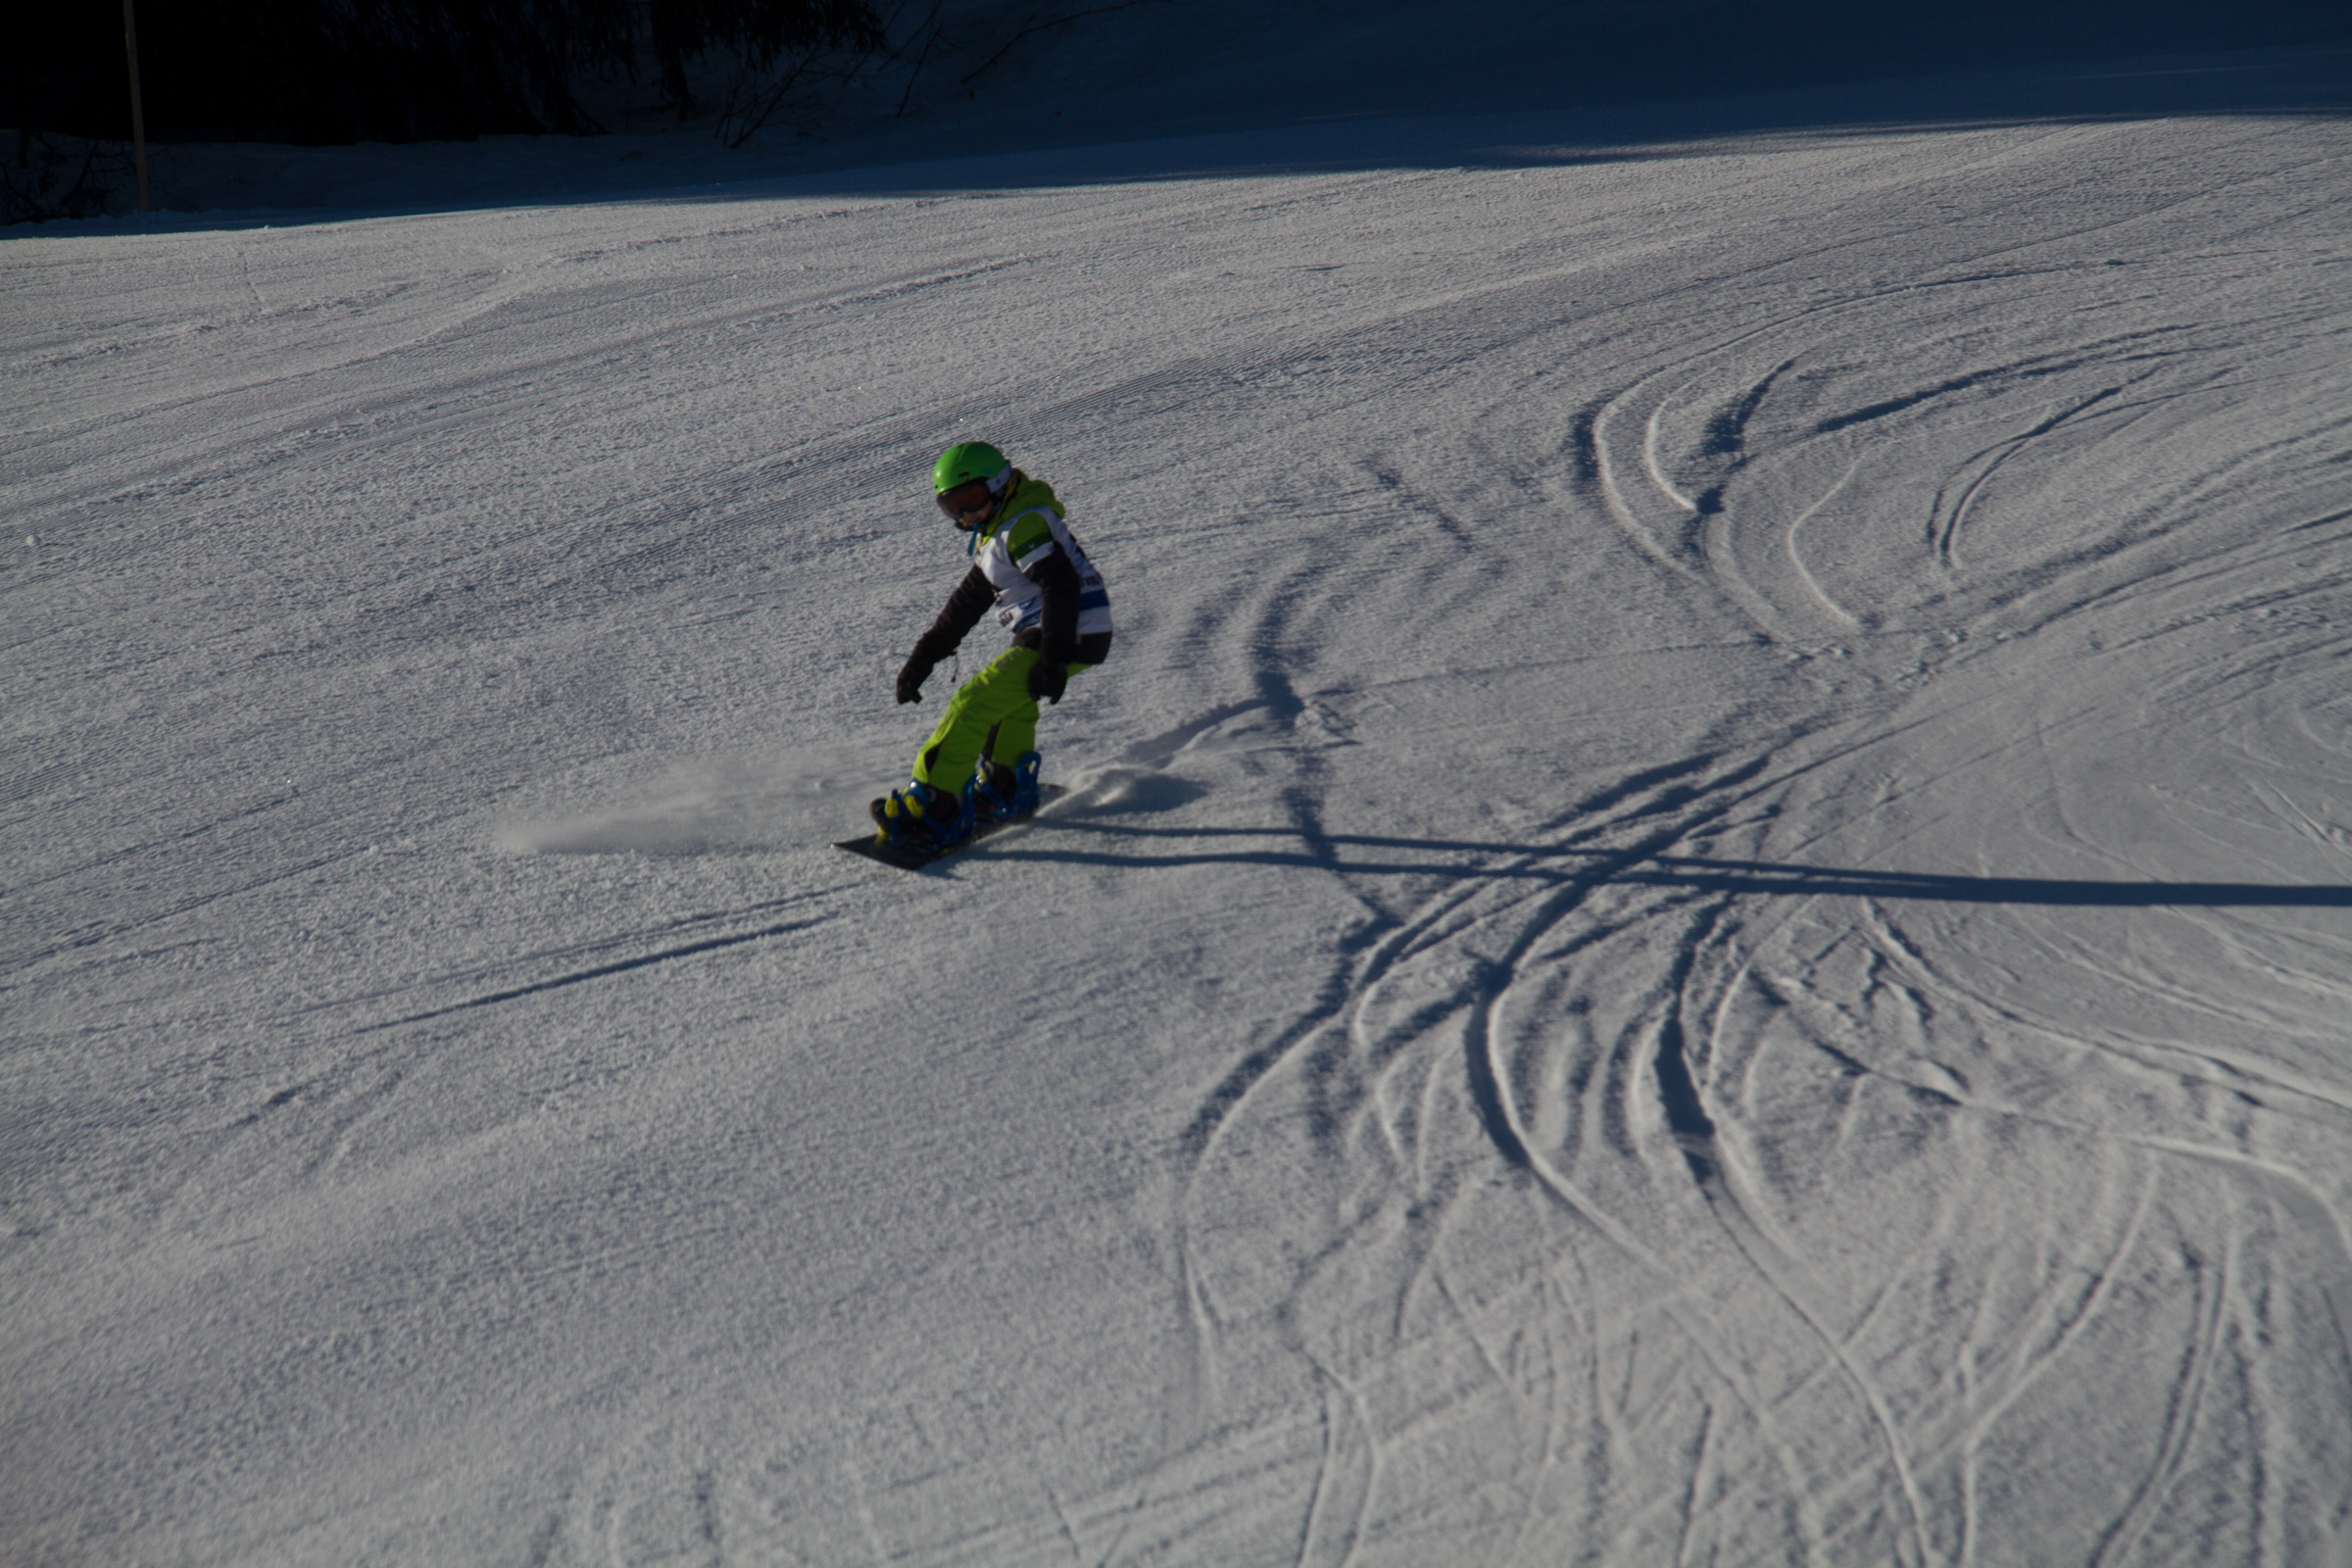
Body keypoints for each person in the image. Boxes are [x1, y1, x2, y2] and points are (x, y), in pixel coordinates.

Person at [871, 441, 1113, 852]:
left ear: (1000, 484)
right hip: (1070, 632)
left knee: (972, 703)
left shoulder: (1022, 526)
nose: (965, 515)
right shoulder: (998, 534)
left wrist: (1053, 657)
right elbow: (966, 604)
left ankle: (935, 807)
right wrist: (924, 657)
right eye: (952, 508)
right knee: (1011, 702)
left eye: (971, 499)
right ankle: (1007, 785)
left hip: (1067, 631)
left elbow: (1060, 583)